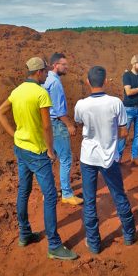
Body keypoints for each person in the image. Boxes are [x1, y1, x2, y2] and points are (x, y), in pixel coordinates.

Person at [0, 57, 78, 261]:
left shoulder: (17, 91)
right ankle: (54, 245)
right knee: (50, 196)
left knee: (24, 190)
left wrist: (14, 135)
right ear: (39, 72)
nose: (46, 75)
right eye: (45, 72)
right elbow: (47, 126)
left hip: (21, 148)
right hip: (37, 152)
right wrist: (50, 150)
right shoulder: (41, 93)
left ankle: (24, 234)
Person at [74, 66, 136, 254]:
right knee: (119, 194)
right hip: (109, 157)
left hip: (88, 157)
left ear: (88, 82)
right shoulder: (116, 103)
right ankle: (129, 235)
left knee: (89, 200)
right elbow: (124, 132)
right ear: (106, 81)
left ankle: (94, 243)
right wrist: (111, 136)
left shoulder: (81, 105)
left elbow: (79, 122)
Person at [43, 53, 82, 205]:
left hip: (46, 123)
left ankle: (48, 192)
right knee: (65, 158)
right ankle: (66, 193)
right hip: (57, 124)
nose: (67, 67)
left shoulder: (46, 79)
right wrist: (70, 125)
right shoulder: (55, 83)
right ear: (55, 65)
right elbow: (59, 111)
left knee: (50, 157)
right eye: (63, 64)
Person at [118, 55, 138, 165]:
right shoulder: (127, 75)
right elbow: (129, 92)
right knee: (124, 134)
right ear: (134, 64)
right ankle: (118, 158)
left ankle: (135, 156)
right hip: (128, 109)